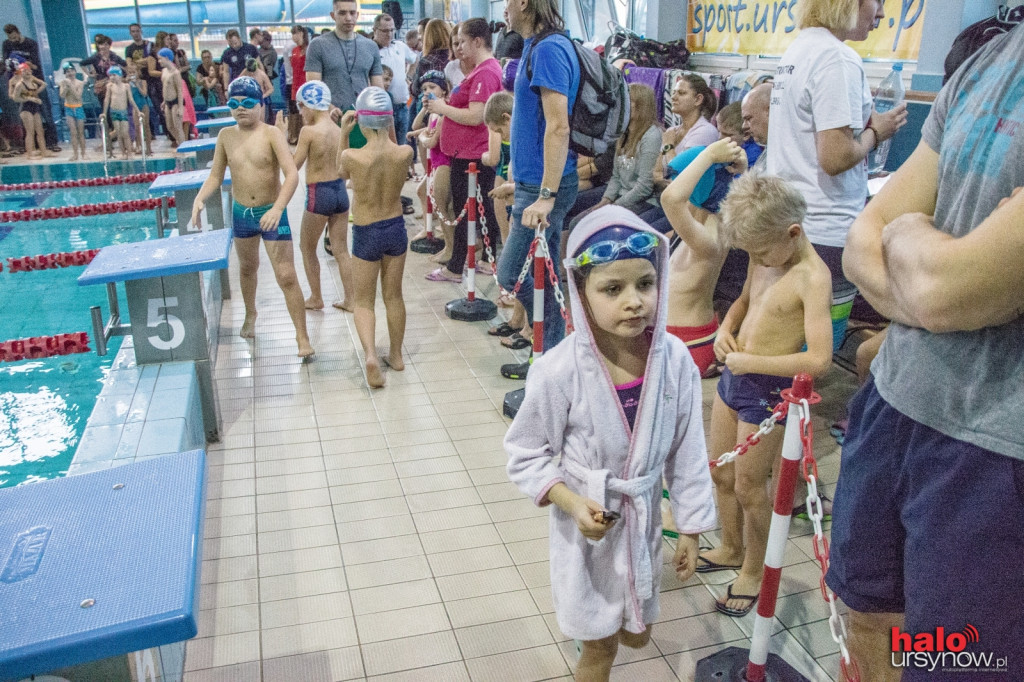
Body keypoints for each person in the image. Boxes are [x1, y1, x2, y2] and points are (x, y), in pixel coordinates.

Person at [827, 22, 1024, 682]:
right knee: (867, 615)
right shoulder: (989, 58)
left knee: (949, 662)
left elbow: (950, 289)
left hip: (996, 446)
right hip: (896, 398)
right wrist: (930, 275)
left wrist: (909, 240)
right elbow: (865, 241)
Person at [505, 206, 717, 680]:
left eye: (645, 283)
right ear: (581, 292)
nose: (634, 302)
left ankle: (611, 626)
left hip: (642, 520)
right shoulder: (559, 369)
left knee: (636, 634)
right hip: (587, 528)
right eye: (612, 289)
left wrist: (690, 526)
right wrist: (571, 501)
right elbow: (525, 453)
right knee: (599, 648)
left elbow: (688, 451)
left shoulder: (675, 360)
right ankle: (591, 641)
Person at [697, 173, 832, 617]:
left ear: (792, 232)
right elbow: (744, 301)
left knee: (750, 486)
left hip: (767, 390)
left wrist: (752, 362)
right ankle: (731, 546)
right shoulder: (765, 256)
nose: (755, 260)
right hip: (736, 376)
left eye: (759, 252)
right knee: (721, 473)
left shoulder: (812, 277)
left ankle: (754, 569)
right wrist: (725, 328)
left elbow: (819, 360)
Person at [767, 0, 907, 351]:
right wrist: (877, 133)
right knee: (814, 351)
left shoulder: (798, 51)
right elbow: (835, 157)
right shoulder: (837, 58)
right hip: (825, 228)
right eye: (877, 2)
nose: (881, 14)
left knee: (782, 340)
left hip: (790, 219)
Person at [189, 76, 313, 358]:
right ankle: (250, 313)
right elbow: (215, 176)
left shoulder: (271, 134)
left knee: (286, 275)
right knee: (247, 268)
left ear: (260, 105)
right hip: (242, 213)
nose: (240, 109)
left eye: (246, 103)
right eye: (234, 104)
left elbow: (292, 174)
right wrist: (199, 198)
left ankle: (302, 336)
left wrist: (278, 208)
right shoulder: (225, 136)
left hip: (271, 212)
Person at [496, 0, 581, 380]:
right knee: (541, 276)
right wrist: (524, 183)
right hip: (534, 184)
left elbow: (558, 126)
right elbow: (535, 124)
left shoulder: (549, 49)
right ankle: (549, 360)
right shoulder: (536, 45)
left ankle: (553, 356)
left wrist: (546, 195)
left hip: (545, 189)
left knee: (512, 274)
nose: (504, 8)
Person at [338, 87, 412, 388]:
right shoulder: (404, 153)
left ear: (361, 121)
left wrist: (344, 134)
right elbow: (392, 143)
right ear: (389, 120)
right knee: (394, 296)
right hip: (395, 228)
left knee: (364, 302)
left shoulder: (353, 156)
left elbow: (339, 173)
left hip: (366, 232)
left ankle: (370, 356)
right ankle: (396, 356)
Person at [423, 18, 503, 284]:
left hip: (473, 155)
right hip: (464, 153)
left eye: (462, 42)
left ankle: (457, 266)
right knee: (472, 210)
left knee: (471, 210)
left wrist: (442, 108)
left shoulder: (486, 73)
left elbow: (476, 116)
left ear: (477, 42)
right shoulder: (478, 71)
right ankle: (480, 259)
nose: (458, 47)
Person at [661, 139, 746, 376]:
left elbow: (670, 199)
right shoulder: (705, 225)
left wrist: (708, 156)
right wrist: (739, 171)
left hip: (685, 339)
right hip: (684, 333)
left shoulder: (709, 238)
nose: (675, 186)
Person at [293, 80, 353, 312]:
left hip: (319, 194)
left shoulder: (308, 132)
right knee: (341, 250)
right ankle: (351, 300)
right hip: (340, 192)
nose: (301, 114)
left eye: (301, 108)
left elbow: (294, 166)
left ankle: (316, 297)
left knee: (307, 247)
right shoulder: (339, 130)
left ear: (307, 105)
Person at [567, 84, 662, 229]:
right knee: (576, 222)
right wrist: (605, 201)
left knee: (585, 225)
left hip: (642, 201)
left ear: (641, 106)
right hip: (621, 195)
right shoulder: (623, 133)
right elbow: (616, 177)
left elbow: (644, 187)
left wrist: (614, 206)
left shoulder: (651, 136)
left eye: (626, 101)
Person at [304, 0, 384, 126]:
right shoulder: (318, 45)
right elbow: (313, 87)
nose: (348, 18)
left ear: (357, 15)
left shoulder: (371, 46)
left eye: (352, 13)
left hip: (363, 120)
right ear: (333, 15)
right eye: (342, 13)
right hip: (330, 121)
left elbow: (378, 89)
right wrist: (330, 108)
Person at [408, 71, 455, 263]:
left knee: (443, 208)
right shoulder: (435, 112)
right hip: (436, 163)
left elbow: (431, 141)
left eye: (432, 87)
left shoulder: (445, 111)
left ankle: (450, 249)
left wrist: (421, 136)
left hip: (444, 163)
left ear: (444, 90)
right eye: (424, 89)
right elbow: (418, 126)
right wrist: (424, 109)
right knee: (439, 205)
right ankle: (448, 246)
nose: (427, 91)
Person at [3, 24, 59, 151]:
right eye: (10, 38)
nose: (12, 40)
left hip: (34, 81)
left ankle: (52, 142)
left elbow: (36, 66)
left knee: (45, 111)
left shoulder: (31, 43)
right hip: (20, 83)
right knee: (23, 116)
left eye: (14, 37)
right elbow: (7, 65)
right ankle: (28, 145)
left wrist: (34, 92)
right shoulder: (6, 44)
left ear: (18, 32)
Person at [657, 74, 719, 187]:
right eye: (674, 92)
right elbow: (656, 174)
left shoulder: (705, 131)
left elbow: (682, 176)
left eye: (681, 93)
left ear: (698, 99)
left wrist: (669, 146)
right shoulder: (671, 131)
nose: (673, 97)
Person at [373, 13, 417, 146]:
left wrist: (408, 76)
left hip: (402, 106)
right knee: (385, 147)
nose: (389, 34)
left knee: (402, 146)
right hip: (381, 109)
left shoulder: (400, 46)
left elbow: (415, 60)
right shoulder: (371, 49)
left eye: (392, 30)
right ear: (375, 30)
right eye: (385, 31)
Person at [8, 63, 50, 159]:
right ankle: (29, 154)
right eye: (25, 71)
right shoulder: (19, 84)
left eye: (29, 71)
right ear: (21, 73)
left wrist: (34, 95)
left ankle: (44, 152)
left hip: (35, 108)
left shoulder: (32, 80)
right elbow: (15, 98)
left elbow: (43, 84)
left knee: (40, 131)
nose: (27, 72)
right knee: (30, 132)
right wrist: (29, 98)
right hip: (25, 109)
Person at [103, 66, 136, 159]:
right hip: (114, 112)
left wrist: (138, 111)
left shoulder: (126, 86)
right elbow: (107, 100)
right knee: (118, 134)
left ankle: (129, 153)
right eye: (110, 75)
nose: (112, 77)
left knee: (125, 133)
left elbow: (131, 99)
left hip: (123, 112)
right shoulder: (110, 86)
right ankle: (123, 153)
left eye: (114, 75)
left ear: (120, 75)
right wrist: (104, 113)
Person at [158, 48, 185, 147]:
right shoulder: (164, 71)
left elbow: (179, 91)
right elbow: (165, 88)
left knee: (178, 127)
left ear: (166, 58)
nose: (159, 61)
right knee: (169, 127)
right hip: (167, 102)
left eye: (160, 59)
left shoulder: (176, 73)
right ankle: (181, 143)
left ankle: (183, 147)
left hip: (175, 102)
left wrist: (180, 107)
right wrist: (164, 101)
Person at [59, 64, 86, 161]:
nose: (70, 73)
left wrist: (70, 86)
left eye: (71, 71)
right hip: (68, 108)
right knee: (73, 132)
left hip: (78, 108)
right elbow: (62, 96)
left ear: (75, 71)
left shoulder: (80, 83)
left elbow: (78, 97)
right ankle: (75, 154)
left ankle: (83, 153)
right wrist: (66, 87)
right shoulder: (63, 83)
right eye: (68, 72)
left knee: (81, 132)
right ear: (65, 74)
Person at [287, 25, 309, 144]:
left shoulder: (309, 49)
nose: (293, 37)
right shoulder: (294, 50)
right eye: (292, 34)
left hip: (306, 84)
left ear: (301, 33)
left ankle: (306, 137)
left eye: (294, 33)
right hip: (295, 85)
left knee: (306, 112)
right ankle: (295, 135)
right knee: (296, 110)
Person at [125, 62, 153, 154]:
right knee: (137, 127)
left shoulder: (143, 82)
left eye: (134, 72)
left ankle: (148, 147)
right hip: (135, 107)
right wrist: (126, 81)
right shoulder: (128, 84)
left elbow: (144, 94)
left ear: (138, 72)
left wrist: (137, 85)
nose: (132, 74)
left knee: (146, 126)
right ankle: (139, 147)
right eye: (130, 73)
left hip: (144, 105)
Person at [244, 57, 275, 122]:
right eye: (250, 72)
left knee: (260, 121)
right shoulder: (245, 72)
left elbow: (271, 89)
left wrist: (263, 96)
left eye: (253, 72)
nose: (251, 74)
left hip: (259, 100)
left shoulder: (262, 74)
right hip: (248, 99)